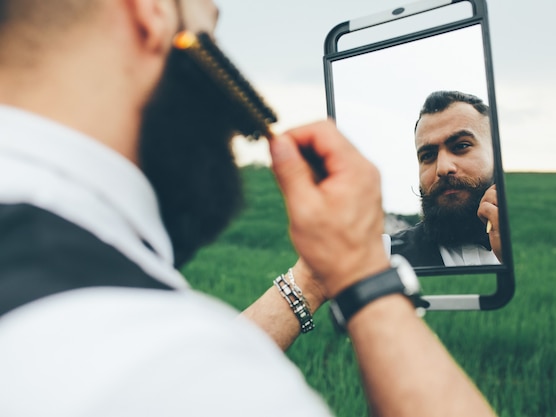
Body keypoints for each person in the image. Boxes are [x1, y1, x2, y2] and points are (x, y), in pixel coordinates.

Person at [0, 1, 496, 416]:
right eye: (209, 30)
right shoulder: (167, 372)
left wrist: (318, 277)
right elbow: (176, 373)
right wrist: (368, 283)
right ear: (151, 13)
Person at [391, 91, 502, 267]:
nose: (442, 168)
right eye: (428, 156)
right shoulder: (382, 257)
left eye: (461, 146)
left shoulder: (534, 244)